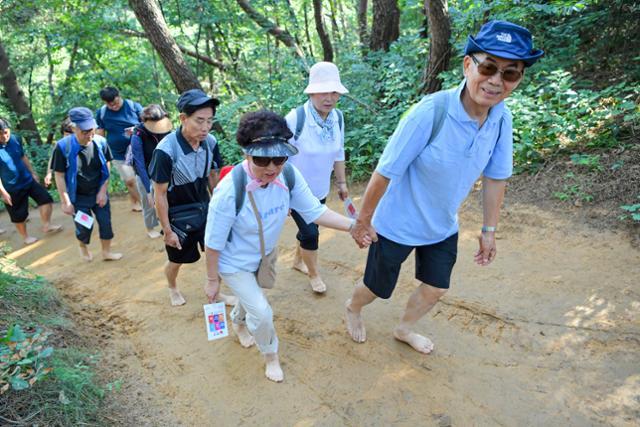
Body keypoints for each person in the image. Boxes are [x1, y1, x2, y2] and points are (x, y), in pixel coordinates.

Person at [346, 20, 544, 354]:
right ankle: (353, 308)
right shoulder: (430, 113)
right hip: (396, 223)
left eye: (510, 73)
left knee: (436, 287)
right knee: (377, 287)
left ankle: (404, 328)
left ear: (519, 79)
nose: (496, 81)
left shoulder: (501, 118)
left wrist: (489, 230)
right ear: (468, 65)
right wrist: (363, 220)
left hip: (442, 224)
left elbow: (496, 177)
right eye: (489, 67)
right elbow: (385, 171)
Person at [203, 111, 369, 383]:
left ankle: (238, 321)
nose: (271, 167)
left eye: (279, 158)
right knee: (263, 311)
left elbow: (315, 211)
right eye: (261, 159)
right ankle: (271, 355)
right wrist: (212, 281)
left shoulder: (289, 175)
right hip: (234, 264)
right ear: (246, 154)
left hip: (264, 257)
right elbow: (213, 243)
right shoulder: (229, 191)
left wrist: (354, 226)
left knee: (251, 300)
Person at [149, 89, 224, 307]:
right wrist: (167, 230)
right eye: (199, 121)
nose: (205, 127)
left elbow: (212, 176)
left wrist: (219, 208)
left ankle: (216, 293)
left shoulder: (210, 142)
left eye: (209, 121)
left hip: (204, 208)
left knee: (215, 253)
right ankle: (172, 288)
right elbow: (159, 194)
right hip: (177, 215)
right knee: (177, 260)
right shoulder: (165, 151)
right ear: (183, 118)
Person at [285, 61, 350, 294]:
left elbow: (338, 151)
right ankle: (314, 274)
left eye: (334, 92)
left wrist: (341, 183)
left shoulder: (337, 118)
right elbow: (280, 158)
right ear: (311, 91)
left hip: (320, 188)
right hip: (296, 191)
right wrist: (283, 194)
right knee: (311, 233)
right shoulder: (295, 119)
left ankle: (297, 260)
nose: (329, 97)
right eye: (324, 91)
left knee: (308, 227)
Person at [52, 107, 122, 261]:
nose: (90, 134)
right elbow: (59, 175)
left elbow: (107, 166)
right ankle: (82, 246)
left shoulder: (100, 142)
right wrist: (66, 201)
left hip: (98, 191)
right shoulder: (63, 147)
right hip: (78, 197)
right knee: (84, 227)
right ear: (73, 128)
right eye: (85, 131)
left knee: (105, 223)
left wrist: (103, 190)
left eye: (92, 129)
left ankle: (106, 252)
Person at [0, 118, 62, 245]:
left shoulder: (15, 139)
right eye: (0, 134)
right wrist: (3, 192)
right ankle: (25, 237)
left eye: (6, 132)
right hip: (11, 187)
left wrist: (32, 172)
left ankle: (47, 225)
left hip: (27, 179)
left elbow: (23, 156)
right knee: (19, 215)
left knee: (45, 199)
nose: (4, 136)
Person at [95, 86, 143, 211]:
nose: (113, 106)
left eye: (115, 103)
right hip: (117, 153)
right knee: (130, 180)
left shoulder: (134, 107)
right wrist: (100, 152)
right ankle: (146, 205)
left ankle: (135, 202)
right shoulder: (102, 113)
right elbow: (100, 133)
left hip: (138, 150)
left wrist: (137, 130)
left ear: (119, 96)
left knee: (141, 178)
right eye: (110, 105)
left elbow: (147, 124)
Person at [130, 104, 173, 239]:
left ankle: (168, 223)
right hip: (145, 173)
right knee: (148, 202)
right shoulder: (138, 135)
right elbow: (139, 163)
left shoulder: (167, 130)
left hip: (163, 171)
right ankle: (150, 227)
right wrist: (148, 190)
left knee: (168, 198)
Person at [44, 117, 73, 187]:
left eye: (71, 135)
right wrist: (49, 173)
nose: (68, 138)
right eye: (66, 135)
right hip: (65, 176)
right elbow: (53, 158)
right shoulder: (60, 145)